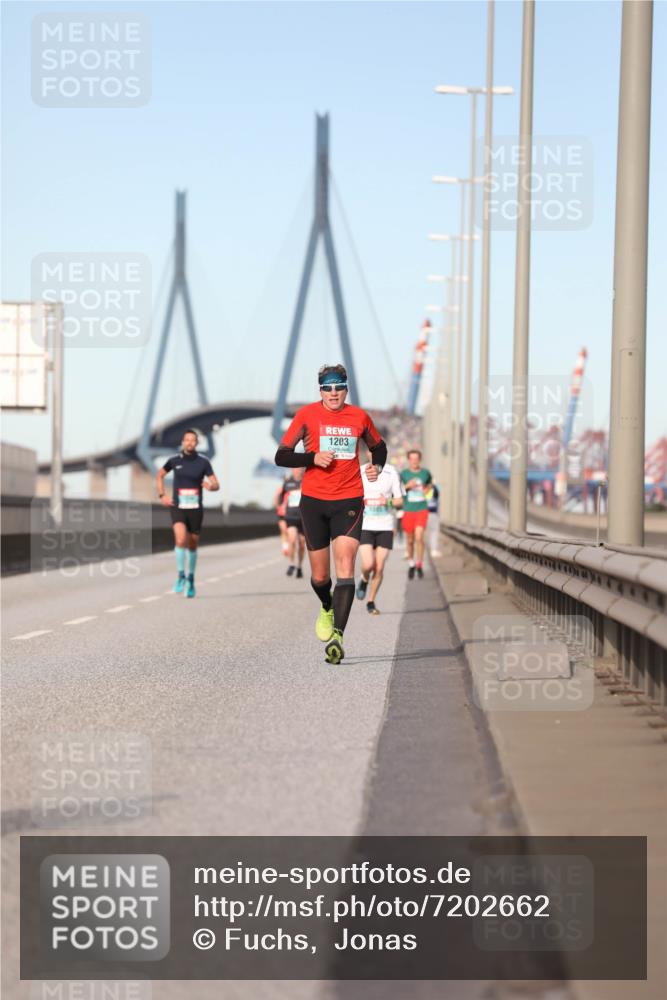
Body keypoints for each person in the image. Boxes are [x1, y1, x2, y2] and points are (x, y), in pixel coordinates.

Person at [275, 363, 387, 664]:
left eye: (339, 386)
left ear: (346, 388)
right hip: (313, 502)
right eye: (328, 387)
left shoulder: (359, 417)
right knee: (321, 575)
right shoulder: (306, 415)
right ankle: (326, 606)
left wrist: (377, 466)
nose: (334, 392)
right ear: (320, 390)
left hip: (349, 499)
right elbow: (281, 455)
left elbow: (379, 446)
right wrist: (312, 457)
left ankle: (338, 635)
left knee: (346, 564)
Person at [156, 429, 220, 598]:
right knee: (180, 539)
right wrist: (162, 495)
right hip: (178, 506)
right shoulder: (174, 461)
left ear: (197, 443)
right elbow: (160, 475)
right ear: (182, 442)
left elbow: (216, 484)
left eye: (193, 440)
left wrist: (210, 486)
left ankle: (191, 578)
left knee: (192, 544)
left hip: (195, 509)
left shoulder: (203, 462)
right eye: (187, 440)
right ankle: (180, 575)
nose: (189, 442)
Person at [356, 460, 403, 614]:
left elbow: (400, 501)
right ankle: (363, 579)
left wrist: (388, 501)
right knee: (368, 564)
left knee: (379, 566)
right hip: (365, 526)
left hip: (385, 526)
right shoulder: (360, 471)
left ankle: (371, 601)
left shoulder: (391, 472)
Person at [399, 449, 432, 579]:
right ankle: (411, 563)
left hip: (422, 509)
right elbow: (398, 490)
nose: (414, 461)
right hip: (408, 509)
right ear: (409, 460)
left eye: (416, 459)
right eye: (412, 459)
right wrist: (407, 486)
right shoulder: (404, 474)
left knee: (419, 537)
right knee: (410, 540)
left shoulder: (425, 473)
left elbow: (429, 484)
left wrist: (427, 489)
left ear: (420, 460)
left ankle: (419, 564)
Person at [280, 467, 306, 578]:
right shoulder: (287, 482)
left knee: (301, 544)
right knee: (291, 539)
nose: (298, 471)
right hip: (290, 516)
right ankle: (291, 564)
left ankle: (299, 566)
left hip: (304, 517)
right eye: (296, 469)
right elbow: (281, 497)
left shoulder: (306, 481)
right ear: (292, 470)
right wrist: (281, 509)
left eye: (300, 469)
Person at [274, 479, 290, 557]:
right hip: (282, 513)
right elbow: (276, 497)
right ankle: (285, 547)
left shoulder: (292, 488)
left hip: (290, 513)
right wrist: (278, 507)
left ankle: (289, 545)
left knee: (289, 531)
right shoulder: (281, 489)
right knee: (284, 530)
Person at [426, 482, 441, 557]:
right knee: (434, 531)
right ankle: (433, 550)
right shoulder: (434, 488)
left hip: (421, 512)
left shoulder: (421, 488)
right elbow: (437, 498)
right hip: (432, 512)